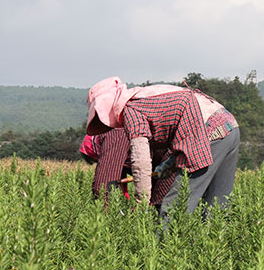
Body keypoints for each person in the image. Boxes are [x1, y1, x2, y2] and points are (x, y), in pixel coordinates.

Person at [85, 76, 240, 217]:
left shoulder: (131, 109)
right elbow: (181, 125)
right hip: (228, 126)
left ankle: (165, 248)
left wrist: (142, 204)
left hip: (208, 131)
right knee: (216, 208)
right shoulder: (144, 96)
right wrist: (167, 166)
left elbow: (141, 163)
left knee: (175, 209)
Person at [79, 129, 175, 207]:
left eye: (98, 161)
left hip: (173, 163)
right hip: (165, 165)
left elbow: (103, 186)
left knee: (163, 210)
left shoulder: (116, 133)